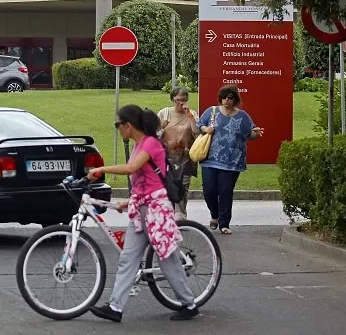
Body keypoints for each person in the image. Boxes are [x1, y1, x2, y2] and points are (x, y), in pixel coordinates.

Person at [87, 104, 199, 323]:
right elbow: (144, 182)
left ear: (129, 126)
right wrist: (129, 202)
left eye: (118, 125)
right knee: (128, 259)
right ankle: (115, 307)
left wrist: (101, 170)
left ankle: (189, 304)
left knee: (168, 259)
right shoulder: (140, 145)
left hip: (156, 210)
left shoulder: (150, 144)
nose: (117, 129)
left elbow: (132, 170)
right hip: (141, 210)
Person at [197, 84, 263, 234]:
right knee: (209, 191)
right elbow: (199, 125)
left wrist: (256, 134)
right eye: (224, 97)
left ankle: (224, 223)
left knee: (226, 191)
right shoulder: (211, 112)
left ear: (235, 100)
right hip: (210, 160)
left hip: (232, 161)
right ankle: (215, 215)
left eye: (230, 97)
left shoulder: (242, 116)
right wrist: (205, 129)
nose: (227, 100)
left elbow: (250, 134)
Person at [157, 86, 200, 220]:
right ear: (172, 100)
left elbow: (196, 131)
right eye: (177, 100)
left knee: (182, 187)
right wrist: (162, 127)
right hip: (166, 158)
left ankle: (180, 216)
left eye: (183, 100)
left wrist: (189, 115)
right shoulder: (164, 113)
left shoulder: (191, 114)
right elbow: (153, 135)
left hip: (185, 158)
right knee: (166, 187)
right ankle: (168, 216)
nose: (181, 103)